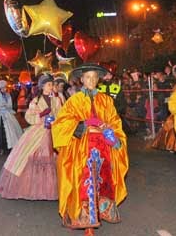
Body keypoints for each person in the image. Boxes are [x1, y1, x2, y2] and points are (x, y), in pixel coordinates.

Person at [52, 63, 129, 235]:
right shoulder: (74, 101)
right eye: (88, 77)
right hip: (82, 149)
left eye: (94, 77)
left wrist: (115, 137)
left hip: (103, 149)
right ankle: (87, 222)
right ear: (82, 80)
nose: (91, 80)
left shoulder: (106, 100)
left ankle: (99, 214)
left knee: (102, 180)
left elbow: (115, 121)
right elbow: (61, 124)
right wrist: (82, 124)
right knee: (85, 183)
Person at [0, 74, 64, 200]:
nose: (51, 87)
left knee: (54, 158)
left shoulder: (56, 100)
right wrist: (42, 115)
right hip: (39, 131)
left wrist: (55, 120)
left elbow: (61, 114)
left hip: (53, 131)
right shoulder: (35, 101)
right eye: (49, 84)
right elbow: (29, 117)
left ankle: (53, 189)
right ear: (42, 86)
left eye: (52, 85)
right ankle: (36, 189)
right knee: (29, 156)